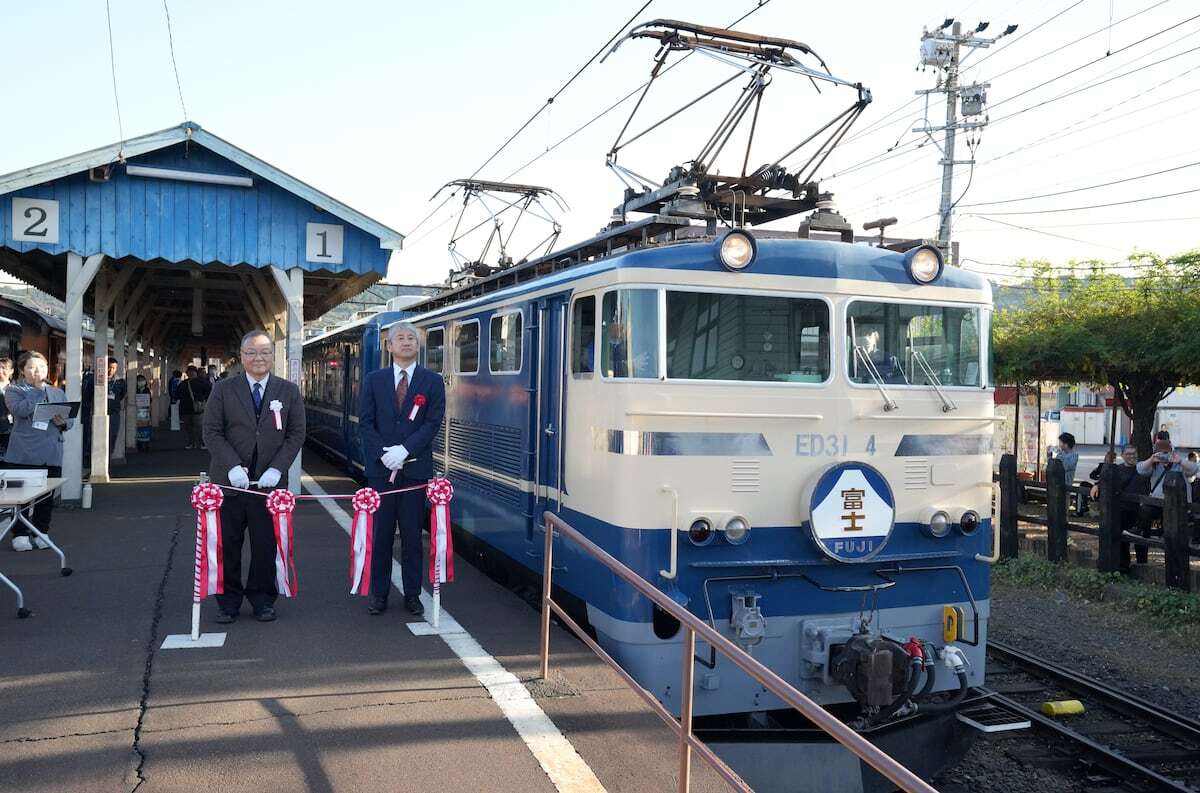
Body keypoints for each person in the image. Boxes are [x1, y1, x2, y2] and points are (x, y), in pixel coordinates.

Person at [203, 330, 305, 623]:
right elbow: (211, 432)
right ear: (241, 356)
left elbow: (296, 434)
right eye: (251, 352)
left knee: (265, 545)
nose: (258, 358)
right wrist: (232, 465)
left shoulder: (288, 391)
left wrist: (277, 468)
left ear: (273, 356)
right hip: (229, 484)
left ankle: (262, 598)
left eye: (264, 352)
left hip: (269, 487)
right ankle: (228, 602)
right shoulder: (223, 389)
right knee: (228, 544)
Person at [358, 322, 446, 616]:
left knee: (411, 536)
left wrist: (405, 450)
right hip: (381, 471)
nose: (406, 342)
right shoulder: (374, 379)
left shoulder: (432, 381)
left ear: (418, 345)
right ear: (389, 346)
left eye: (411, 338)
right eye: (400, 338)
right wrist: (383, 455)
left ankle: (412, 594)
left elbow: (433, 422)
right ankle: (379, 594)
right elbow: (366, 422)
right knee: (381, 534)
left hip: (415, 471)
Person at [3, 352, 72, 552]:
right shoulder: (14, 389)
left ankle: (42, 532)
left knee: (46, 497)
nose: (37, 372)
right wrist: (36, 391)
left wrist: (64, 422)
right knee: (21, 497)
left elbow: (69, 418)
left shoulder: (57, 392)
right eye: (32, 368)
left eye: (41, 367)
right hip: (23, 453)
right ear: (22, 371)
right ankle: (21, 534)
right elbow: (20, 411)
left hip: (51, 452)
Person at [1133, 437, 1199, 563]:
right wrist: (1152, 459)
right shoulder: (1154, 465)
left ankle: (1174, 563)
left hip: (1177, 505)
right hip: (1158, 503)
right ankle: (1142, 558)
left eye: (1166, 453)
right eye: (1161, 453)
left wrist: (1179, 461)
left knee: (1173, 533)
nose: (1164, 456)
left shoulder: (1179, 464)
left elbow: (1194, 469)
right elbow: (1140, 469)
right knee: (1144, 516)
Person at [178, 366, 211, 450]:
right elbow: (178, 394)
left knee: (199, 426)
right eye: (189, 372)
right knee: (189, 427)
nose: (191, 373)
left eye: (193, 372)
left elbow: (209, 393)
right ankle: (192, 442)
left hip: (198, 409)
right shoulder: (183, 384)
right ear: (187, 373)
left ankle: (201, 443)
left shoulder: (202, 382)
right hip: (186, 409)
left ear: (196, 373)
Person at [1047, 432, 1080, 512]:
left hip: (1066, 484)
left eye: (1061, 442)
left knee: (1064, 508)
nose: (1059, 444)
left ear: (1066, 444)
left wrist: (1059, 455)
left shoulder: (1074, 455)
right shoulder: (1060, 454)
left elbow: (1066, 466)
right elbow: (1053, 467)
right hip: (1056, 484)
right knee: (1055, 507)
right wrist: (1049, 456)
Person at [106, 358, 127, 456]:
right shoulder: (99, 380)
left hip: (114, 413)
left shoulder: (120, 382)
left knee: (113, 436)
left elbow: (122, 395)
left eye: (113, 368)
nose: (111, 370)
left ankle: (109, 457)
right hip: (102, 412)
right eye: (109, 367)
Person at [134, 375, 152, 452]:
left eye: (142, 380)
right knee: (138, 427)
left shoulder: (147, 390)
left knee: (145, 427)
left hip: (145, 411)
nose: (141, 382)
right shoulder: (134, 389)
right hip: (136, 411)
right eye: (139, 380)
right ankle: (139, 443)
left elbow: (150, 400)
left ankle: (146, 443)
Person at [0, 357, 13, 455]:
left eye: (4, 368)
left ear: (11, 371)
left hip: (13, 431)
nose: (1, 370)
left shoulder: (17, 388)